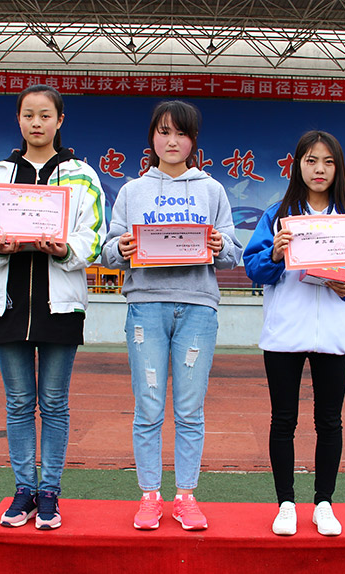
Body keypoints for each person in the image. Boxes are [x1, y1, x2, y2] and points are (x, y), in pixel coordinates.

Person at [0, 84, 106, 530]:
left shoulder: (82, 175)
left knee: (55, 403)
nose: (36, 123)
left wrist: (65, 250)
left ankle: (50, 493)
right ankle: (24, 489)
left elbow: (94, 234)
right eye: (28, 115)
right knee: (19, 402)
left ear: (60, 121)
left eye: (45, 115)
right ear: (19, 120)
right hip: (8, 304)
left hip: (60, 305)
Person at [102, 99, 242, 532]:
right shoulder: (132, 191)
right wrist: (120, 248)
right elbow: (108, 251)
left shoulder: (212, 191)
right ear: (152, 137)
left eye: (181, 133)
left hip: (198, 307)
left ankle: (185, 497)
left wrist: (220, 246)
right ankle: (149, 496)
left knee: (189, 408)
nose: (172, 141)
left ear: (193, 141)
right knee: (148, 406)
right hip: (145, 305)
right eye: (164, 132)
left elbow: (232, 254)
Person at [243, 130, 345, 537]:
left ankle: (324, 503)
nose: (319, 169)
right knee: (283, 420)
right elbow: (253, 267)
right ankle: (285, 503)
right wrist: (274, 253)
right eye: (311, 160)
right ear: (298, 165)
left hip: (334, 333)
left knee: (330, 421)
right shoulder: (277, 216)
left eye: (328, 162)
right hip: (285, 331)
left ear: (339, 168)